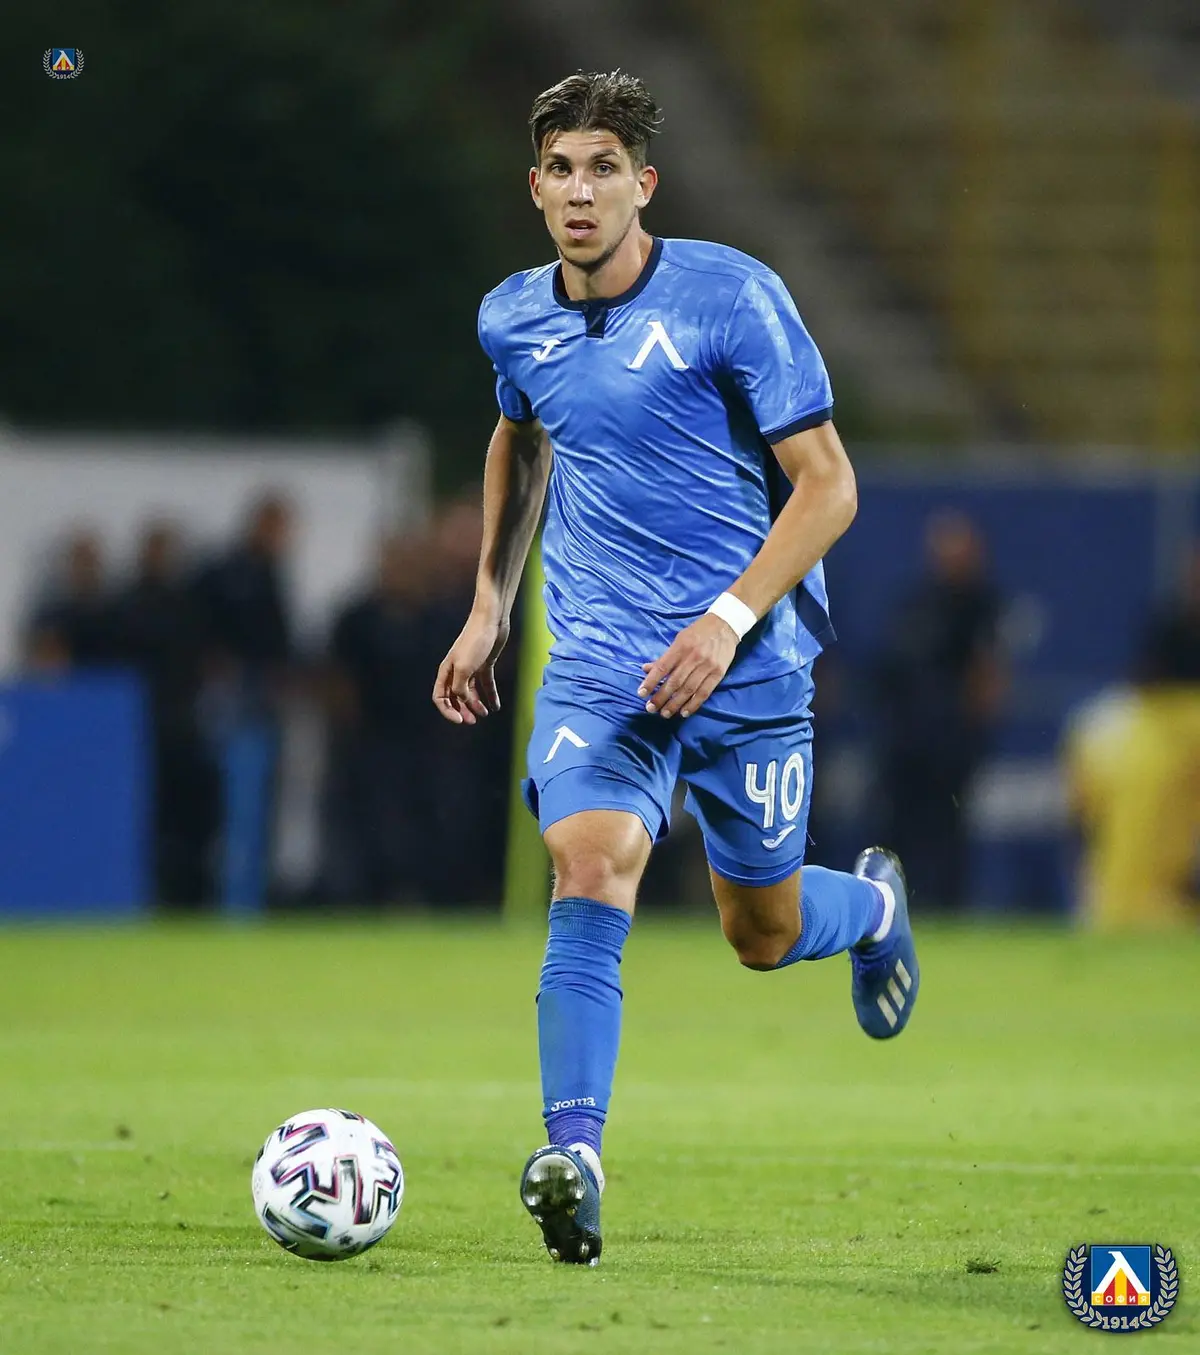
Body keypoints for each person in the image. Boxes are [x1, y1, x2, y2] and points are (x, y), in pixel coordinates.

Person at [432, 71, 920, 1267]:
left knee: (762, 931)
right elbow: (520, 435)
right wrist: (490, 601)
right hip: (603, 661)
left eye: (605, 168)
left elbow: (829, 486)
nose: (581, 191)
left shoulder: (733, 297)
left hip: (744, 665)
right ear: (535, 187)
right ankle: (575, 1156)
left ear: (643, 184)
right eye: (562, 169)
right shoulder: (513, 317)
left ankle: (874, 910)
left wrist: (724, 621)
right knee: (591, 865)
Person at [873, 510, 1005, 910]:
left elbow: (988, 674)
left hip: (951, 739)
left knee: (948, 830)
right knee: (896, 828)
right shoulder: (917, 602)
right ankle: (890, 906)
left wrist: (974, 734)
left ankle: (948, 907)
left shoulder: (982, 606)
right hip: (907, 738)